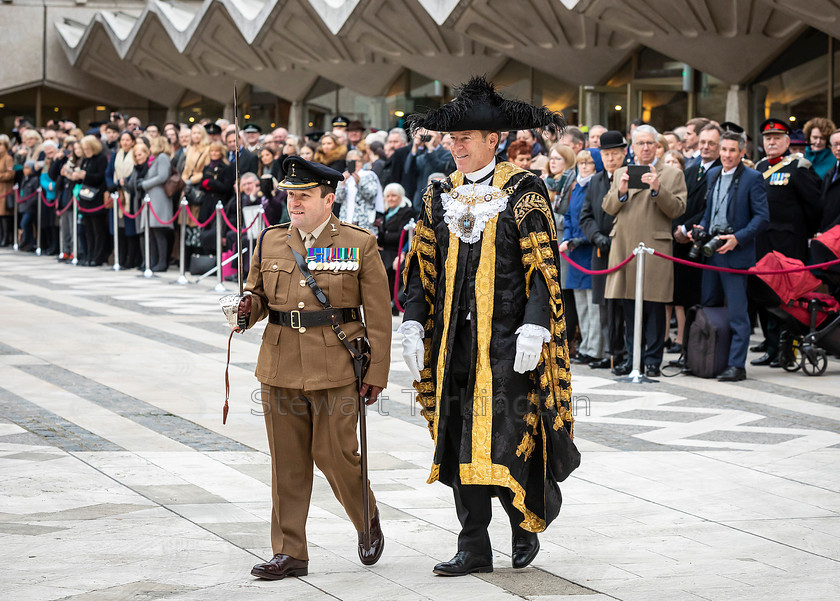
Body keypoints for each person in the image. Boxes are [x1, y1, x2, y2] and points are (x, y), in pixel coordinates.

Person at [400, 76, 579, 576]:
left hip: (506, 341)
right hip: (453, 341)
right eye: (451, 140)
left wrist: (535, 327)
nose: (454, 147)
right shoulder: (440, 193)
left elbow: (543, 266)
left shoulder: (523, 189)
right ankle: (473, 543)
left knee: (508, 433)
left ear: (492, 141)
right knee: (458, 437)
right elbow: (421, 267)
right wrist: (414, 323)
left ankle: (524, 522)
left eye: (464, 139)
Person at [233, 155, 391, 580]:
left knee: (334, 454)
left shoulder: (358, 243)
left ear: (328, 197)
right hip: (280, 361)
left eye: (304, 196)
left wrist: (377, 372)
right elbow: (259, 293)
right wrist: (249, 307)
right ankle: (290, 552)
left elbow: (378, 314)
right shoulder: (270, 240)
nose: (295, 203)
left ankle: (366, 517)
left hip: (336, 364)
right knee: (287, 461)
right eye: (290, 196)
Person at [603, 124, 687, 377]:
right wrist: (621, 191)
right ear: (633, 147)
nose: (646, 148)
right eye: (641, 143)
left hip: (654, 248)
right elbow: (608, 208)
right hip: (625, 248)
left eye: (650, 143)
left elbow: (678, 210)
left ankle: (652, 360)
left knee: (654, 307)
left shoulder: (672, 174)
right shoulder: (621, 173)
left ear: (658, 146)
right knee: (629, 308)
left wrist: (658, 190)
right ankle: (632, 358)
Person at [688, 131, 768, 381]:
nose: (727, 155)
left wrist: (738, 238)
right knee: (708, 307)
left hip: (735, 253)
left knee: (737, 313)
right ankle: (708, 359)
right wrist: (701, 227)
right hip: (711, 251)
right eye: (724, 149)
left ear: (743, 152)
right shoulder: (712, 174)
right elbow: (709, 212)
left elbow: (762, 217)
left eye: (733, 150)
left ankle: (737, 365)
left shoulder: (753, 178)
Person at [751, 119, 823, 367]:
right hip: (763, 244)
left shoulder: (799, 167)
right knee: (765, 297)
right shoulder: (759, 167)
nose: (771, 142)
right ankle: (771, 347)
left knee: (788, 300)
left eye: (777, 138)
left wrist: (808, 232)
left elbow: (814, 205)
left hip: (788, 245)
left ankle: (788, 349)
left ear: (787, 141)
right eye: (767, 138)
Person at [670, 124, 722, 355]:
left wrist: (686, 227)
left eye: (711, 143)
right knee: (682, 294)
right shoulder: (691, 169)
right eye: (703, 142)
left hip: (705, 242)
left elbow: (710, 208)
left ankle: (698, 346)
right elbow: (679, 202)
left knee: (703, 297)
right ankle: (684, 342)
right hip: (681, 242)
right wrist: (676, 228)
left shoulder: (723, 169)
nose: (706, 147)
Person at [579, 130, 627, 370]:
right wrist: (596, 236)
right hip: (601, 250)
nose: (611, 159)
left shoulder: (629, 176)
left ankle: (621, 353)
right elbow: (585, 215)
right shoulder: (597, 180)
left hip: (625, 250)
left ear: (624, 154)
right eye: (606, 154)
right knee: (604, 305)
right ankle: (608, 352)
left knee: (622, 304)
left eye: (615, 154)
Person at [560, 148, 604, 365]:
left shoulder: (597, 186)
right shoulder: (576, 187)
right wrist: (568, 237)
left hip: (589, 249)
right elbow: (568, 215)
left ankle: (595, 348)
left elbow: (596, 220)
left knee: (592, 303)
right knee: (580, 304)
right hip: (574, 251)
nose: (584, 167)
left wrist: (581, 239)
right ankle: (585, 344)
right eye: (581, 163)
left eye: (589, 163)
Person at [137, 136, 174, 272]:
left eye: (152, 145)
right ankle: (153, 262)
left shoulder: (163, 157)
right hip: (152, 198)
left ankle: (162, 262)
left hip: (159, 199)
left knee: (158, 231)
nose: (150, 148)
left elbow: (162, 176)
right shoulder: (156, 159)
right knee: (151, 232)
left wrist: (145, 184)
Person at [74, 135, 110, 266]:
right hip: (85, 199)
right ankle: (89, 255)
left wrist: (86, 175)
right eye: (84, 149)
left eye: (88, 148)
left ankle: (98, 256)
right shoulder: (85, 160)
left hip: (97, 198)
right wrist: (77, 175)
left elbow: (101, 177)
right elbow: (83, 178)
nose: (86, 151)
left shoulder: (101, 159)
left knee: (98, 230)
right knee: (87, 230)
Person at [377, 182, 414, 312]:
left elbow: (400, 236)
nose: (390, 199)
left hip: (397, 251)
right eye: (388, 196)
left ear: (400, 197)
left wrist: (385, 235)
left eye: (394, 196)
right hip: (385, 250)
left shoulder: (406, 211)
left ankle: (393, 303)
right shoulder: (384, 212)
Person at [335, 149, 382, 232]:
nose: (355, 164)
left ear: (362, 162)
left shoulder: (369, 175)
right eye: (351, 161)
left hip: (363, 221)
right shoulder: (344, 177)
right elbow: (338, 199)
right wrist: (342, 184)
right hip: (345, 219)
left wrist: (359, 184)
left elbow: (372, 195)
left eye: (357, 161)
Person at [0, 135, 14, 247]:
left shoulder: (8, 158)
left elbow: (11, 174)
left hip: (5, 189)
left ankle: (6, 238)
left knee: (4, 214)